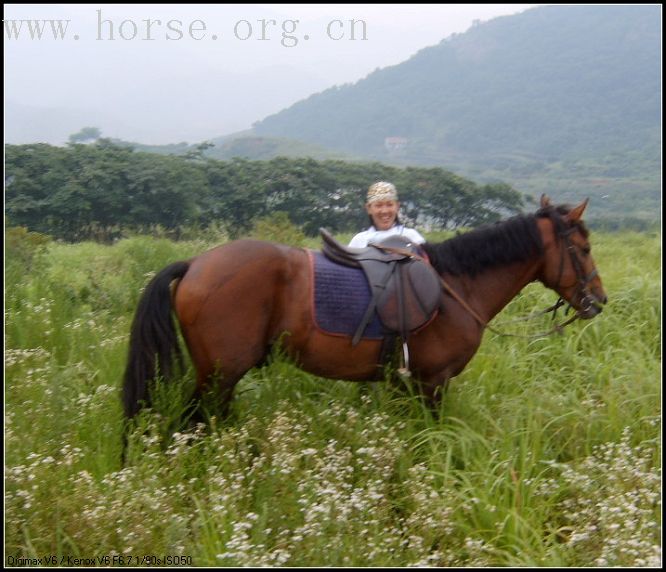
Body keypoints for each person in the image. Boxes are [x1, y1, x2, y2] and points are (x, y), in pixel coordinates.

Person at [348, 181, 426, 248]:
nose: (384, 211)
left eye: (389, 205)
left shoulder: (412, 237)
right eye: (378, 205)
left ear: (397, 207)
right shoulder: (359, 241)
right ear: (368, 208)